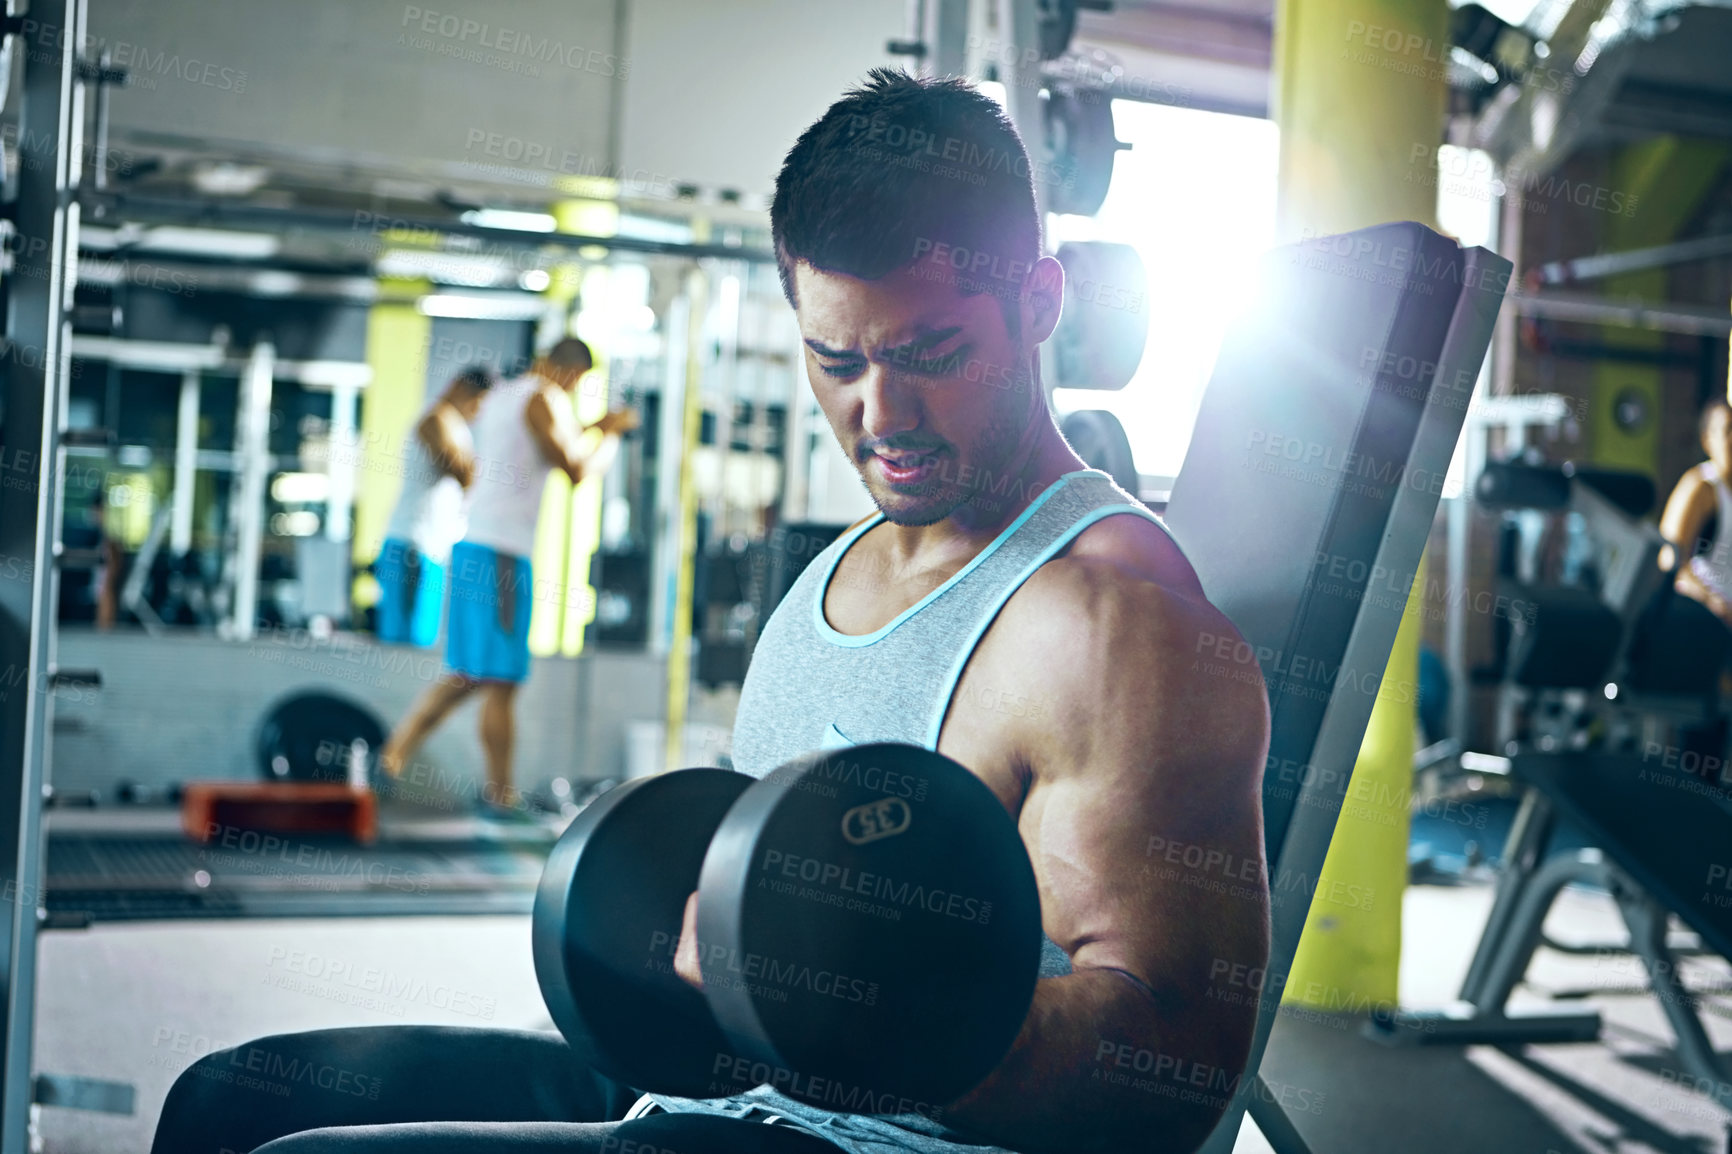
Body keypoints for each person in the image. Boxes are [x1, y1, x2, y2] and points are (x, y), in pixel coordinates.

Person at [152, 72, 1268, 1154]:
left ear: (1039, 301)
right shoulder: (836, 568)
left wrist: (880, 1014)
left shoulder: (1117, 622)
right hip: (713, 1091)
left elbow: (1166, 1067)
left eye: (931, 355)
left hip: (875, 1140)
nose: (881, 415)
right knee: (224, 1104)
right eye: (836, 360)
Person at [378, 339, 636, 813]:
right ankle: (500, 795)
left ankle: (394, 756)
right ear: (568, 373)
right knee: (501, 680)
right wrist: (613, 434)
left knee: (468, 675)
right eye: (578, 383)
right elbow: (576, 468)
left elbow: (545, 441)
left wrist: (593, 425)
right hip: (501, 554)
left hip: (475, 546)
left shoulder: (504, 396)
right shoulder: (544, 397)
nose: (576, 393)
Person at [372, 365, 494, 648]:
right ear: (462, 388)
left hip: (431, 549)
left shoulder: (457, 427)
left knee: (421, 644)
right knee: (403, 647)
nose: (479, 413)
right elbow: (464, 474)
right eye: (479, 404)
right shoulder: (435, 419)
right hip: (410, 546)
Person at [1660, 396, 1732, 629]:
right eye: (1728, 431)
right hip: (1705, 625)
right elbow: (1669, 561)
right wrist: (1712, 601)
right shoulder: (1701, 487)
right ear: (1707, 440)